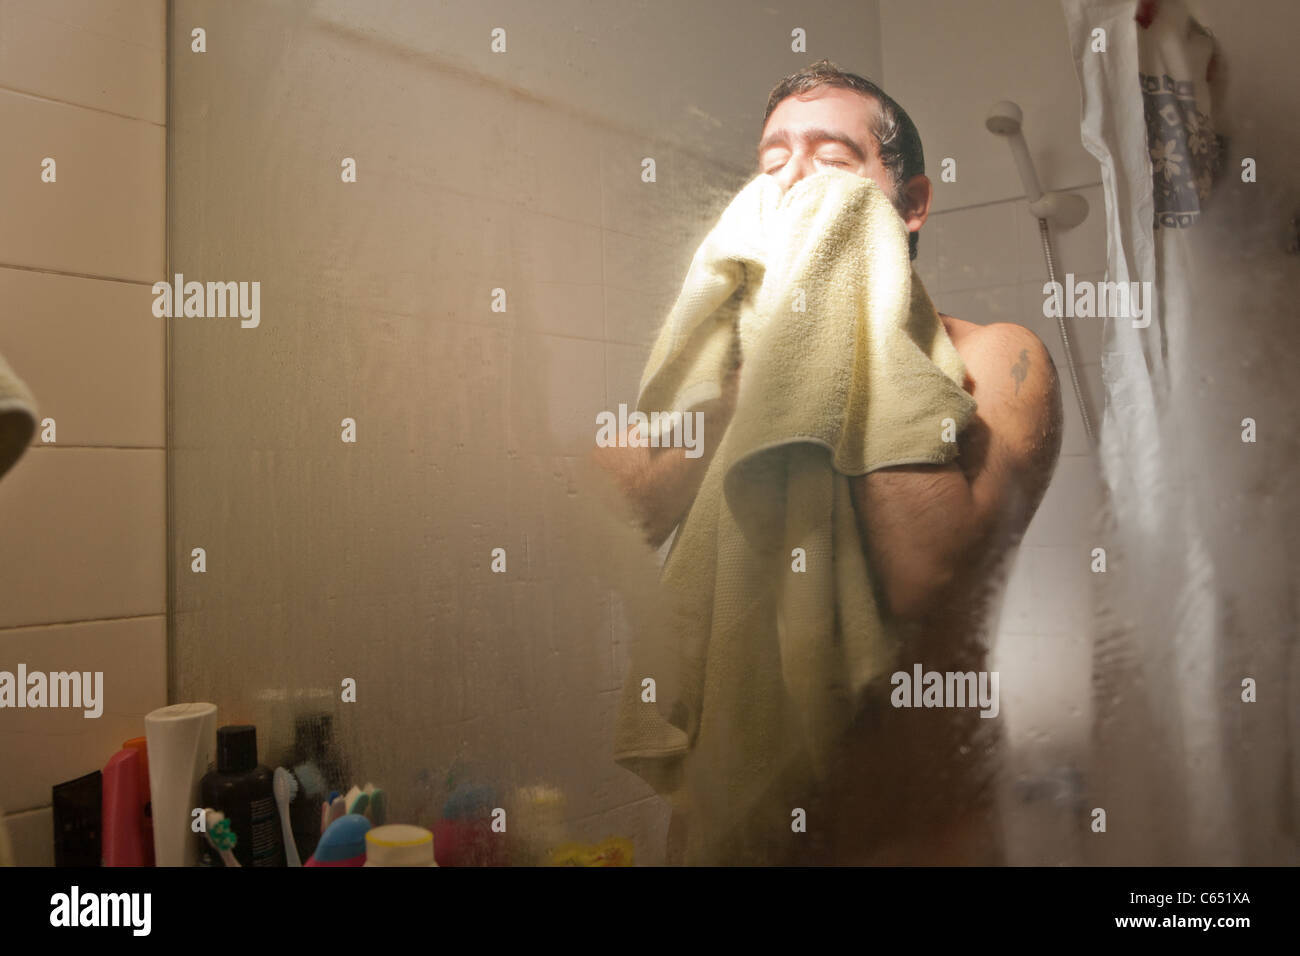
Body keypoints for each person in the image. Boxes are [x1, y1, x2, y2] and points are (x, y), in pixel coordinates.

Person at [594, 60, 1064, 864]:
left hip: (912, 823)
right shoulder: (724, 357)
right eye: (773, 162)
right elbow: (623, 514)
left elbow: (931, 576)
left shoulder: (997, 357)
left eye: (834, 159)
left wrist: (853, 335)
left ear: (910, 204)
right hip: (732, 821)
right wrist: (769, 367)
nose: (795, 181)